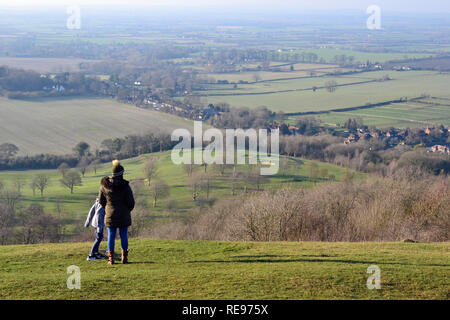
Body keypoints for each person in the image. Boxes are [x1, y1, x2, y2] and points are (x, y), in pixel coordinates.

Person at [98, 160, 135, 264]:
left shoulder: (104, 186)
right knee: (124, 235)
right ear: (121, 173)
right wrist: (127, 210)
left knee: (111, 235)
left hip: (110, 215)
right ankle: (124, 258)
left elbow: (101, 201)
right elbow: (131, 202)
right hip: (124, 215)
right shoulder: (126, 186)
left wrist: (107, 208)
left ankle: (111, 259)